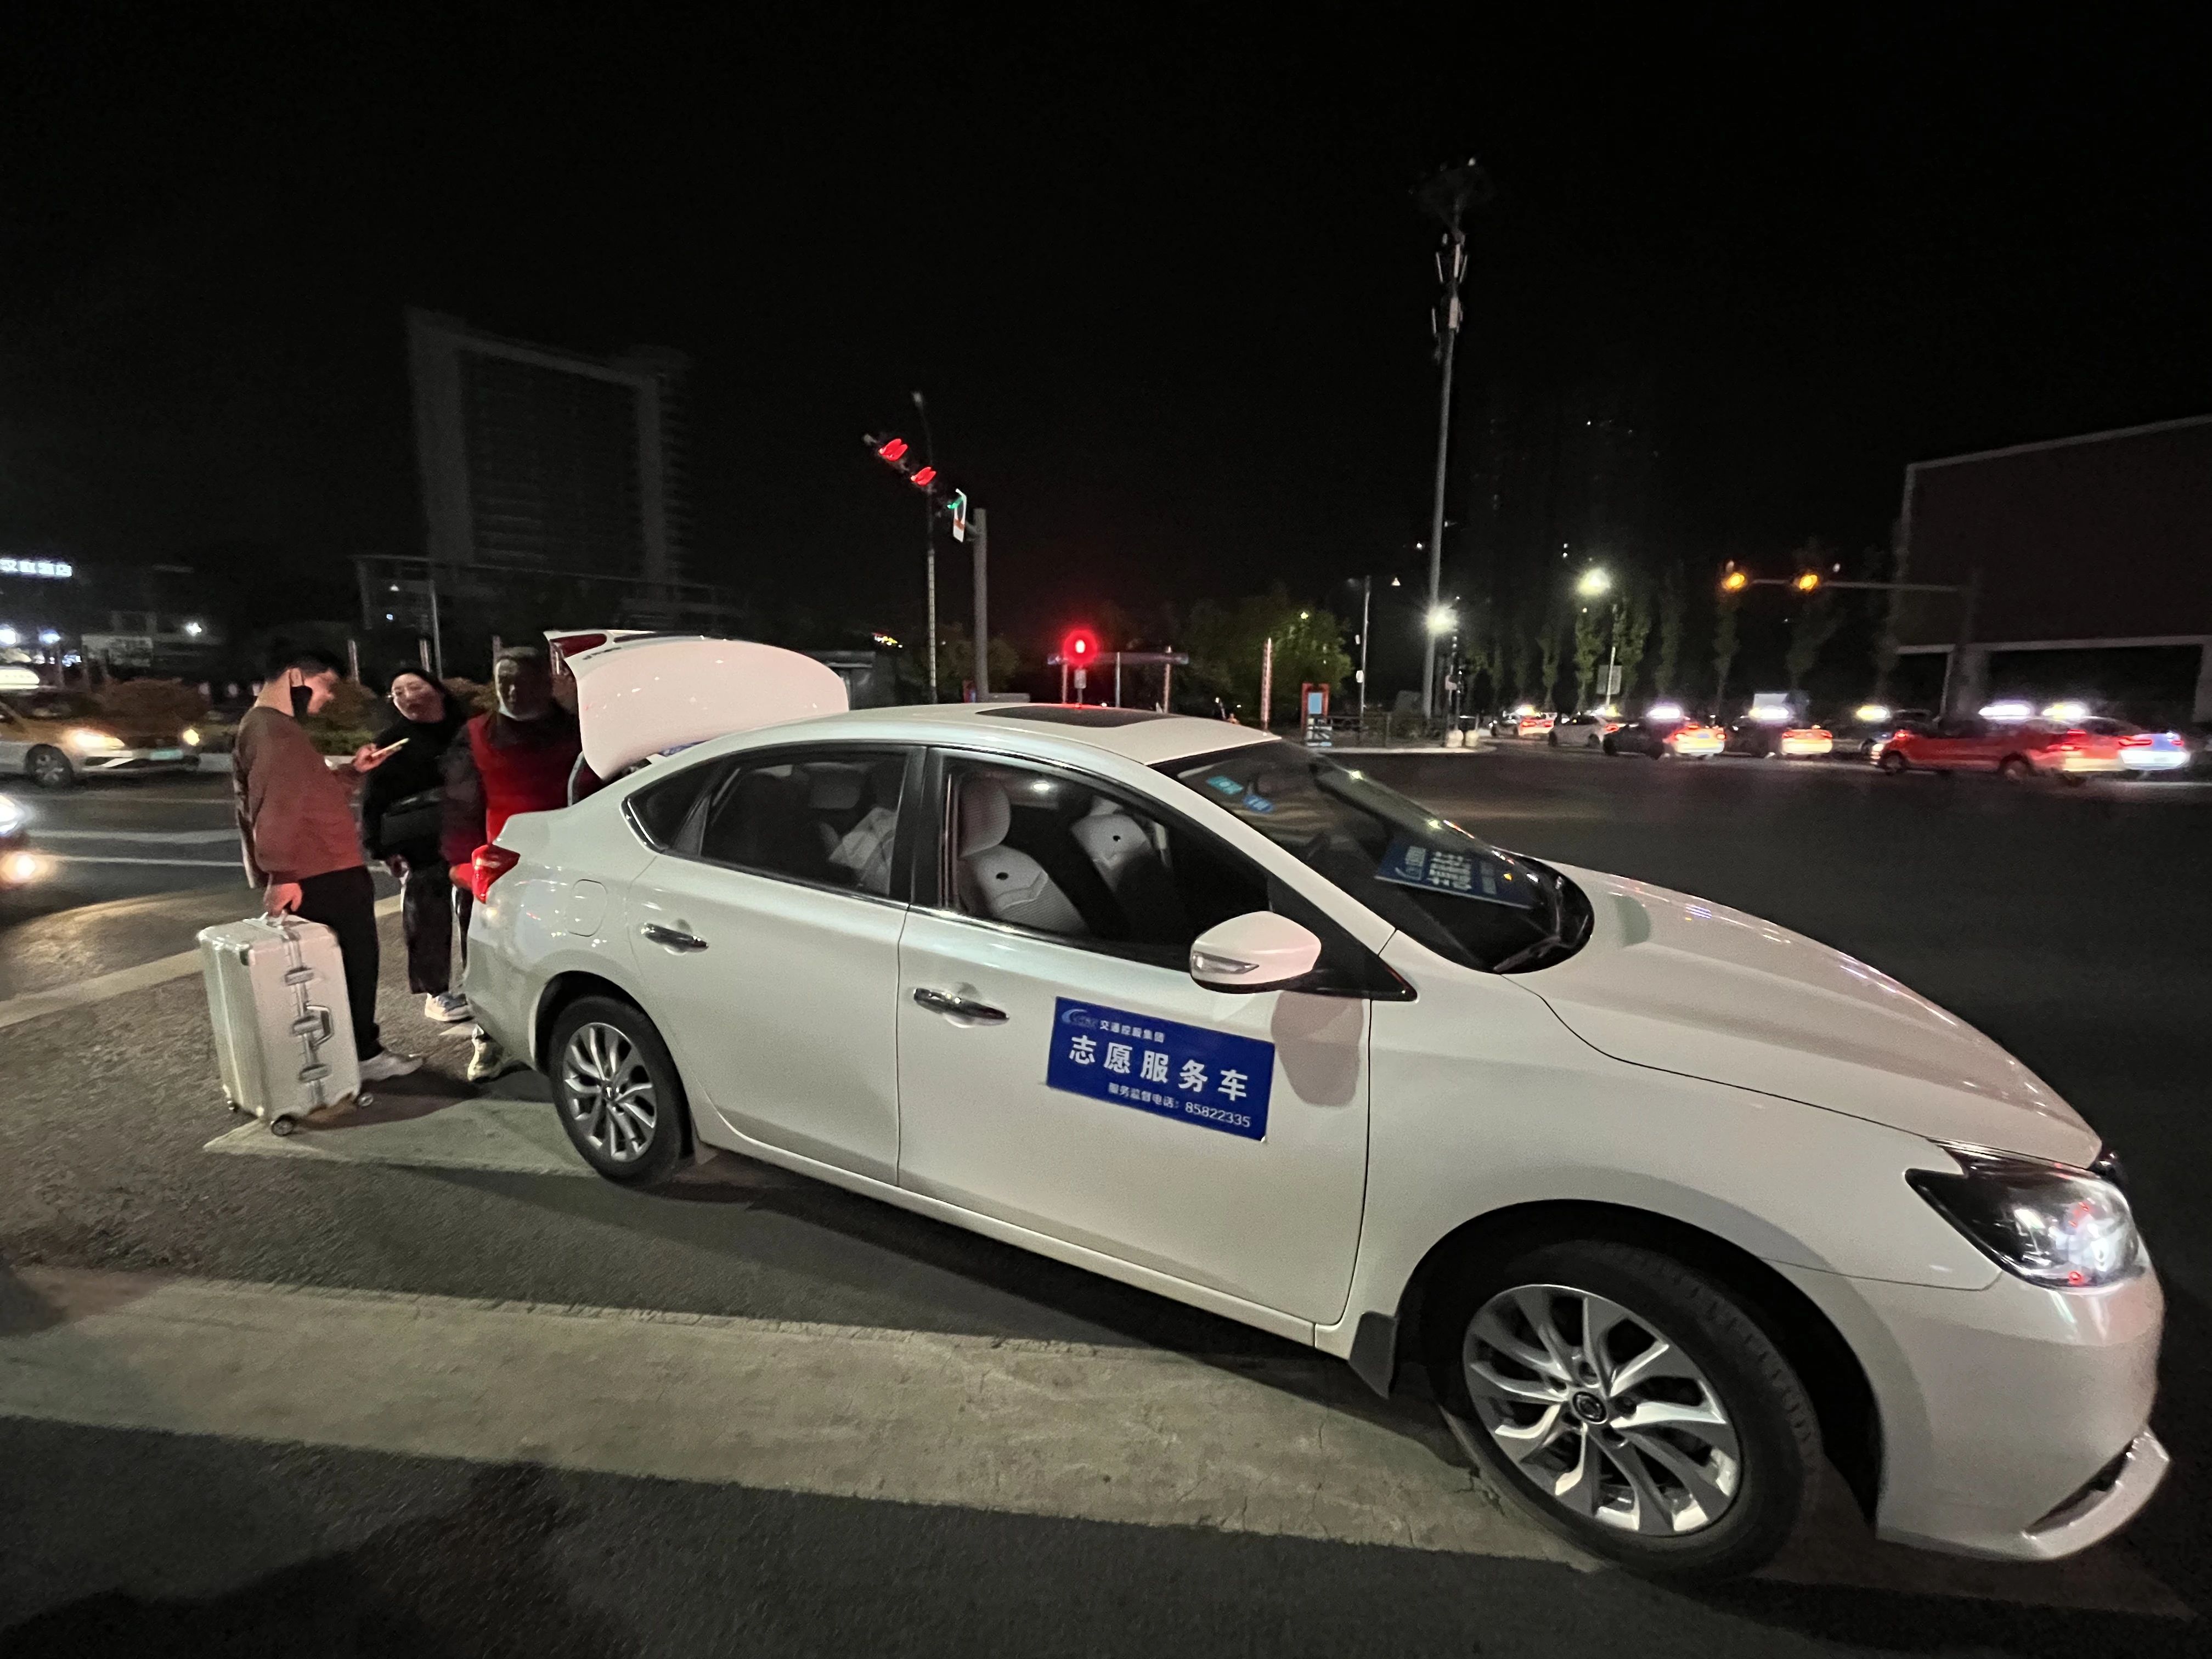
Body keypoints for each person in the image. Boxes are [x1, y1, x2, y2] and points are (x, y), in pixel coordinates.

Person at [231, 648, 420, 1082]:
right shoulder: (272, 730)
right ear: (296, 677)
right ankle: (362, 1055)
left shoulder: (274, 728)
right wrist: (281, 874)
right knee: (351, 966)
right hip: (321, 871)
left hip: (322, 867)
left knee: (340, 967)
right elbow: (274, 805)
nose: (329, 696)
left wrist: (353, 772)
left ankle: (346, 1054)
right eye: (326, 685)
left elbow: (305, 794)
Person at [442, 646, 599, 1082]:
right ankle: (489, 1038)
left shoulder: (580, 733)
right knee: (491, 959)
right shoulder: (477, 735)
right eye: (503, 682)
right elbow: (460, 805)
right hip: (500, 867)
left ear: (546, 685)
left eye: (523, 682)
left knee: (563, 955)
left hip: (569, 863)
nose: (512, 691)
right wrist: (463, 864)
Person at [359, 667, 471, 1024]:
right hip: (420, 841)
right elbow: (373, 799)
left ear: (438, 691)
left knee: (479, 914)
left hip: (471, 836)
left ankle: (480, 983)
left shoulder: (468, 730)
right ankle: (436, 993)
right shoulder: (391, 741)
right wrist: (380, 848)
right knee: (426, 918)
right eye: (397, 693)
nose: (406, 696)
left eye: (413, 687)